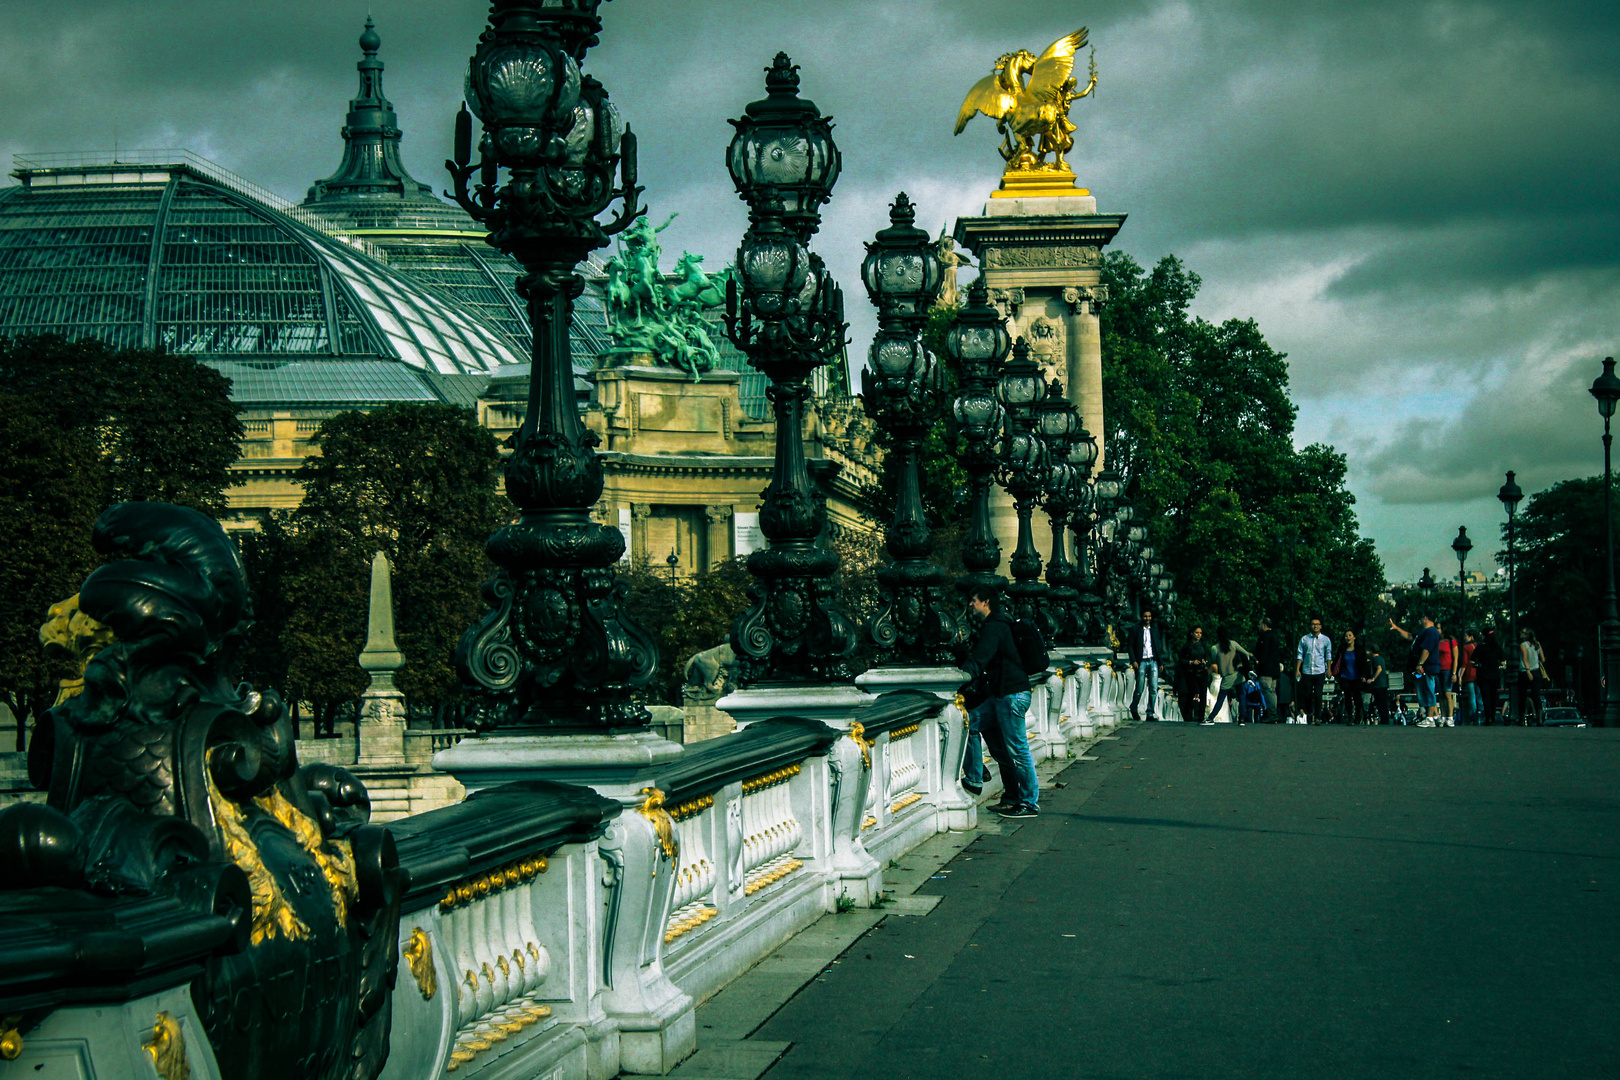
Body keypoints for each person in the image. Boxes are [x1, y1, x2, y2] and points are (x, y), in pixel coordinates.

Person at [957, 584, 1039, 818]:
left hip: (1011, 696)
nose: (970, 604)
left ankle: (1029, 803)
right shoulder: (1000, 625)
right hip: (1001, 695)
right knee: (970, 722)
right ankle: (980, 782)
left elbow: (979, 659)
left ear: (986, 602)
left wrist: (958, 679)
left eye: (973, 600)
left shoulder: (994, 628)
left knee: (1018, 750)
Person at [1390, 613, 1442, 726]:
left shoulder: (1431, 632)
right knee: (1422, 688)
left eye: (1421, 618)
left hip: (1425, 667)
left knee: (1428, 689)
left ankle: (1429, 718)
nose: (1419, 621)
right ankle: (1435, 716)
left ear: (1426, 618)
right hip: (1419, 669)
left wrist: (1420, 664)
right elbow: (1409, 636)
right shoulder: (1423, 633)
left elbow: (1426, 649)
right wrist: (1396, 627)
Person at [1127, 606, 1168, 722]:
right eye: (1145, 616)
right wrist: (1134, 660)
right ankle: (1134, 707)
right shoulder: (1135, 629)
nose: (1147, 618)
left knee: (1153, 688)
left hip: (1153, 661)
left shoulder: (1154, 630)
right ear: (1142, 617)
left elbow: (1158, 646)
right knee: (1140, 687)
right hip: (1141, 662)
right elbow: (1130, 646)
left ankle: (1150, 712)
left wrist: (1161, 662)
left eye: (1149, 616)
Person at [1210, 628, 1255, 723]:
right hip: (1238, 673)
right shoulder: (1233, 644)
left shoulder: (1215, 648)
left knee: (1220, 698)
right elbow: (1245, 653)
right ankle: (1242, 718)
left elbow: (1214, 660)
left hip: (1227, 675)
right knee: (1241, 696)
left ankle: (1211, 717)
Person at [1294, 617, 1333, 724]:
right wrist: (1298, 669)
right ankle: (1309, 712)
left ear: (1320, 626)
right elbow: (1300, 654)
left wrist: (1329, 669)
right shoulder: (1304, 639)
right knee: (1307, 694)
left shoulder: (1325, 640)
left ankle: (1318, 716)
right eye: (1313, 624)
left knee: (1318, 694)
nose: (1315, 626)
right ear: (1310, 626)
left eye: (1317, 624)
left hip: (1319, 670)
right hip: (1307, 671)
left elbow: (1328, 655)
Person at [1178, 626, 1216, 724]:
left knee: (1203, 694)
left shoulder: (1203, 645)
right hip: (1191, 672)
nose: (1198, 635)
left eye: (1200, 633)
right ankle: (1189, 715)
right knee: (1192, 693)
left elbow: (1208, 657)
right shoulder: (1187, 646)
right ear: (1192, 633)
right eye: (1196, 633)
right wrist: (1191, 662)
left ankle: (1201, 716)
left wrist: (1205, 661)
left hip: (1202, 671)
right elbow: (1181, 660)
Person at [1254, 615, 1284, 721]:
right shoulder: (1275, 636)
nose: (1258, 626)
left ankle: (1272, 713)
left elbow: (1263, 654)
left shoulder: (1265, 637)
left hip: (1266, 669)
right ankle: (1273, 712)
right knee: (1272, 690)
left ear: (1264, 625)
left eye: (1260, 624)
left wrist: (1258, 665)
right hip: (1274, 669)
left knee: (1266, 690)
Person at [1332, 629, 1364, 725]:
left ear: (1354, 637)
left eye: (1350, 635)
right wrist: (1331, 670)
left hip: (1357, 677)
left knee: (1357, 697)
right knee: (1347, 697)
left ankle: (1358, 714)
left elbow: (1364, 664)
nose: (1348, 637)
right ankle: (1350, 716)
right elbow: (1337, 660)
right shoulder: (1342, 649)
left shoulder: (1359, 649)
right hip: (1345, 676)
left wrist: (1365, 676)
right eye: (1346, 636)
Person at [1518, 628, 1548, 726]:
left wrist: (1528, 671)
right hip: (1536, 671)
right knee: (1536, 696)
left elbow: (1525, 658)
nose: (1520, 634)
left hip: (1525, 672)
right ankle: (1539, 719)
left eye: (1523, 633)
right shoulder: (1537, 644)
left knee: (1522, 696)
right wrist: (1536, 663)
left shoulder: (1523, 645)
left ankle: (1521, 719)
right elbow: (1543, 659)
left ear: (1527, 635)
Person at [1475, 628, 1504, 724]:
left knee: (1485, 697)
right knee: (1493, 696)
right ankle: (1493, 716)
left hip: (1483, 674)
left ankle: (1488, 718)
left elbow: (1472, 660)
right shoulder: (1497, 647)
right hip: (1495, 675)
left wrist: (1478, 664)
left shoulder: (1480, 647)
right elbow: (1503, 662)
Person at [1362, 639, 1392, 724]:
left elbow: (1379, 668)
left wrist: (1373, 679)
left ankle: (1384, 720)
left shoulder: (1375, 659)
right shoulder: (1381, 658)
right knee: (1383, 704)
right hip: (1383, 684)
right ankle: (1385, 720)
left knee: (1380, 703)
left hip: (1378, 685)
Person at [1436, 621, 1459, 726]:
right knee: (1441, 694)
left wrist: (1454, 673)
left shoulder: (1451, 642)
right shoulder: (1436, 641)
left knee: (1447, 693)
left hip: (1448, 670)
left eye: (1438, 628)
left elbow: (1455, 658)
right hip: (1437, 669)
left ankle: (1450, 717)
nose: (1437, 630)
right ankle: (1443, 716)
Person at [1458, 628, 1480, 725]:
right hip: (1479, 673)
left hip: (1470, 673)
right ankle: (1481, 714)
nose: (1465, 638)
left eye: (1466, 636)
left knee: (1472, 696)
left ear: (1471, 637)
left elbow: (1465, 663)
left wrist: (1460, 676)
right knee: (1479, 695)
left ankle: (1473, 716)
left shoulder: (1466, 647)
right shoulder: (1478, 646)